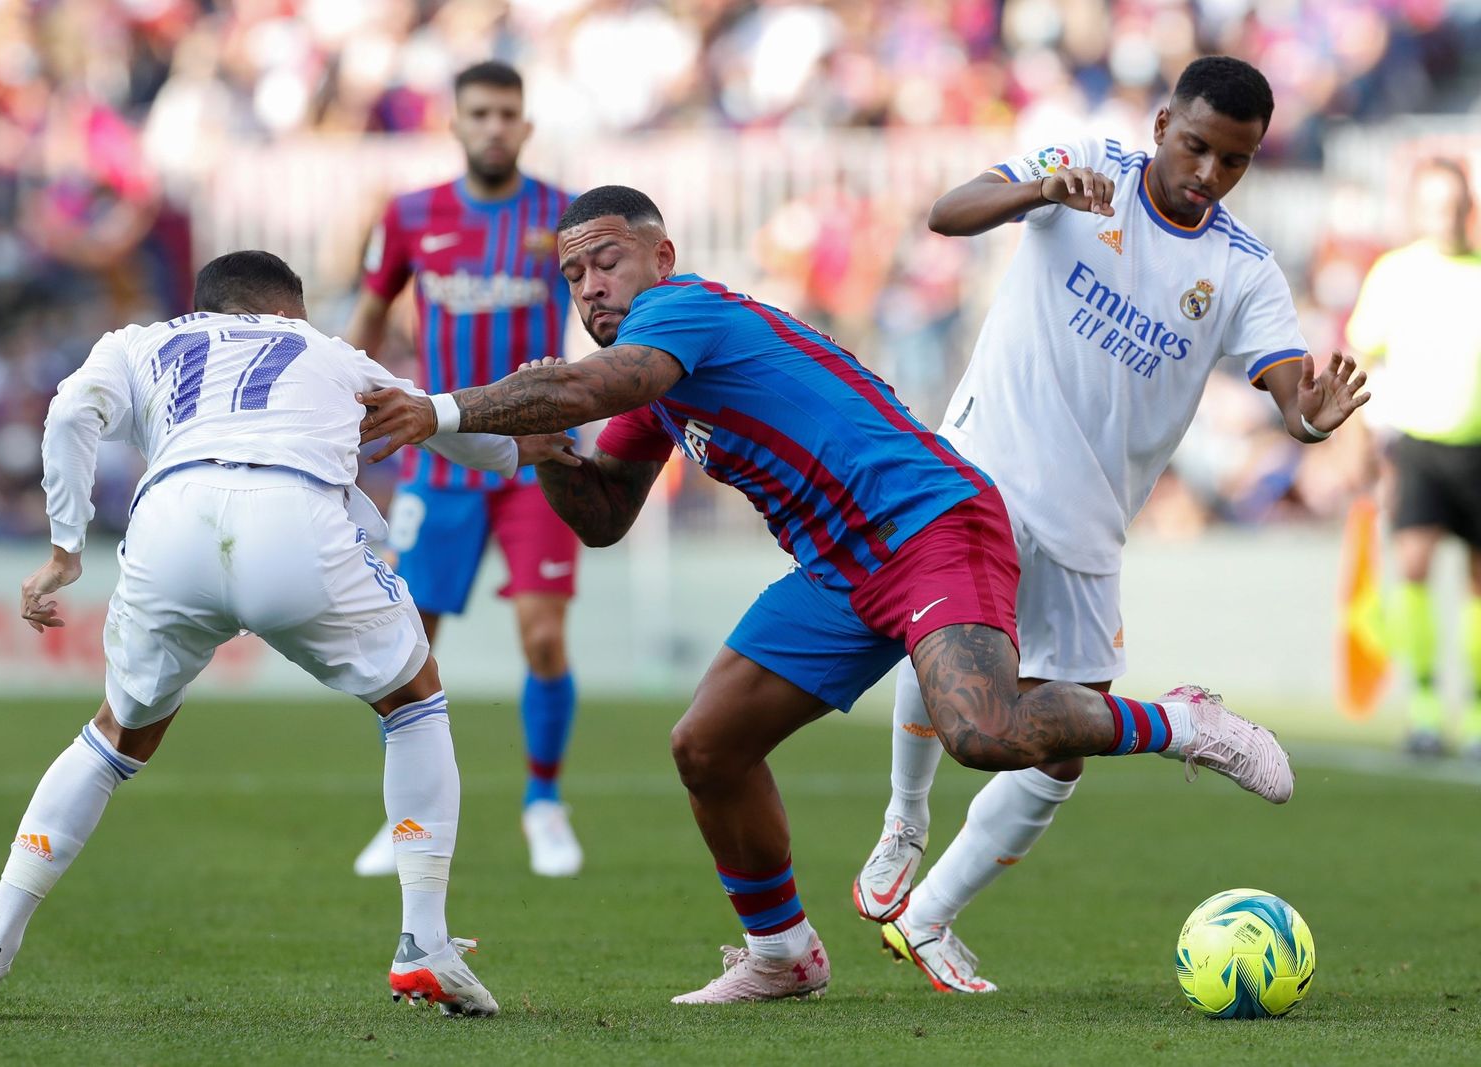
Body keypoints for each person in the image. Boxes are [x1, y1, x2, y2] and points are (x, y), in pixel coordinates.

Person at [356, 184, 1317, 1005]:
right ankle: (781, 953)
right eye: (572, 277)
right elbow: (604, 514)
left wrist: (444, 409)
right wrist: (548, 450)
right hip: (841, 566)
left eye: (605, 262)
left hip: (929, 517)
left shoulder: (680, 313)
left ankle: (1184, 722)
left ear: (662, 256)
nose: (589, 287)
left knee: (981, 731)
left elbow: (591, 385)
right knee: (706, 745)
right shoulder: (647, 374)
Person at [844, 56, 1370, 995]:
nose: (1209, 174)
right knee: (953, 649)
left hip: (1092, 517)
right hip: (983, 466)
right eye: (1197, 146)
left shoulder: (1243, 269)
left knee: (1066, 742)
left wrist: (1309, 416)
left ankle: (929, 919)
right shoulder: (1089, 167)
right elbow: (948, 212)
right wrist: (1041, 189)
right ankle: (904, 821)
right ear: (1164, 121)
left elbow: (1290, 390)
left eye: (1235, 162)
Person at [0, 250, 577, 1017]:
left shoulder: (135, 342)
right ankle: (424, 943)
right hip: (294, 518)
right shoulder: (324, 349)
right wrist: (520, 449)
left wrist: (66, 548)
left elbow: (70, 413)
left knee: (112, 740)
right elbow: (426, 418)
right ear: (286, 311)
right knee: (413, 700)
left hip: (173, 519)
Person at [342, 60, 584, 879]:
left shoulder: (563, 217)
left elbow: (611, 318)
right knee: (407, 644)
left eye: (507, 113)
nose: (493, 126)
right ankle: (406, 819)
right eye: (478, 112)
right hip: (441, 463)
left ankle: (543, 802)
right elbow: (368, 319)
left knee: (544, 636)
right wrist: (339, 406)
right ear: (454, 121)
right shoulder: (411, 215)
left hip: (535, 459)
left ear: (526, 124)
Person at [1347, 157, 1481, 758]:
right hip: (1419, 447)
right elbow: (1360, 361)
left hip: (1477, 446)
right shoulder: (1394, 274)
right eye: (1434, 205)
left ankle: (1476, 715)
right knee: (1417, 566)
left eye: (1454, 204)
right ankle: (1426, 707)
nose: (1445, 216)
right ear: (1417, 211)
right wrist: (1361, 448)